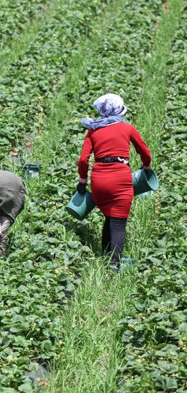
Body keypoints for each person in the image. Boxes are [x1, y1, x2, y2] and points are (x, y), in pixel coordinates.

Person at [77, 93, 152, 268]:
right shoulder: (127, 128)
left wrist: (82, 181)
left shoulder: (93, 129)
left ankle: (105, 255)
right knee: (118, 224)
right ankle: (113, 266)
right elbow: (145, 152)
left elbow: (83, 159)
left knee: (109, 217)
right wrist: (146, 167)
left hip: (99, 180)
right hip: (121, 179)